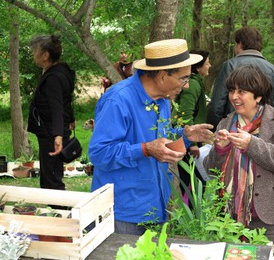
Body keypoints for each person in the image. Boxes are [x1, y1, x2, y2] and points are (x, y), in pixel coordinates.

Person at [88, 39, 215, 235]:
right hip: (123, 213)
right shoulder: (118, 100)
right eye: (184, 78)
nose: (187, 85)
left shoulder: (162, 100)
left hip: (156, 208)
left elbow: (160, 140)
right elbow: (99, 153)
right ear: (163, 76)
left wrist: (186, 136)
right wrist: (146, 149)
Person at [204, 65, 274, 243]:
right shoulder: (225, 124)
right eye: (232, 90)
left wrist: (252, 145)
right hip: (229, 220)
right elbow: (211, 170)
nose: (234, 97)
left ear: (258, 96)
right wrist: (220, 149)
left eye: (241, 91)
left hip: (272, 219)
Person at [206, 26, 274, 131]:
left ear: (240, 44)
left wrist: (213, 130)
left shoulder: (230, 66)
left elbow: (217, 105)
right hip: (266, 133)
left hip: (234, 131)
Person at [27, 35, 76, 190]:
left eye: (35, 51)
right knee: (50, 176)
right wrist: (71, 118)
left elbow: (56, 107)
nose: (32, 54)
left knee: (52, 180)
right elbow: (66, 99)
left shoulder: (53, 77)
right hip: (53, 132)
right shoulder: (61, 71)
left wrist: (58, 137)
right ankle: (54, 210)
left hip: (52, 135)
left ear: (45, 55)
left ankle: (59, 211)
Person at [172, 49, 211, 202]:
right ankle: (192, 215)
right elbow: (185, 114)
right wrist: (192, 144)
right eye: (207, 63)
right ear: (198, 66)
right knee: (193, 182)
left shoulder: (195, 83)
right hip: (188, 140)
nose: (210, 65)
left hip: (191, 136)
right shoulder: (193, 85)